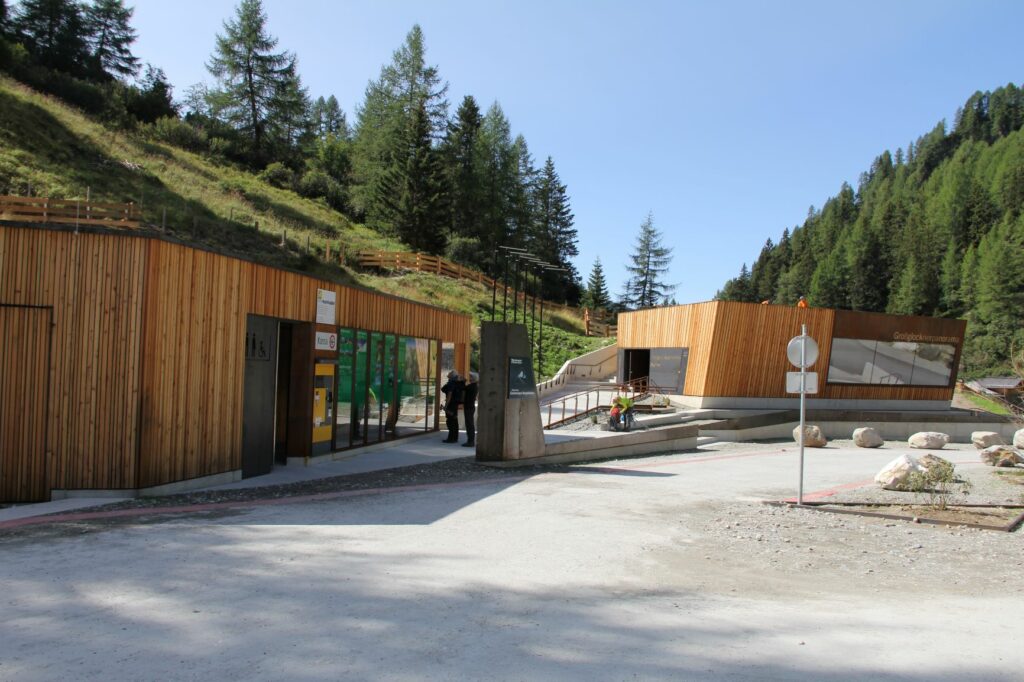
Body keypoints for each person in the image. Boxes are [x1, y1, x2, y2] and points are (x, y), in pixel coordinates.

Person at [440, 370, 464, 443]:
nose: (448, 373)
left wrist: (446, 405)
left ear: (452, 375)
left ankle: (451, 438)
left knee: (450, 421)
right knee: (454, 420)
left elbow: (449, 395)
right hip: (455, 404)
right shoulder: (457, 383)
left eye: (450, 373)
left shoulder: (451, 383)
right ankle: (455, 438)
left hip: (451, 404)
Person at [462, 371, 478, 447]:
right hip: (471, 406)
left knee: (469, 424)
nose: (469, 378)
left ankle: (470, 441)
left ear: (473, 379)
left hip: (468, 407)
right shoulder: (475, 386)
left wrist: (463, 382)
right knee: (470, 423)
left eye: (470, 377)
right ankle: (470, 440)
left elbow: (463, 389)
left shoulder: (470, 387)